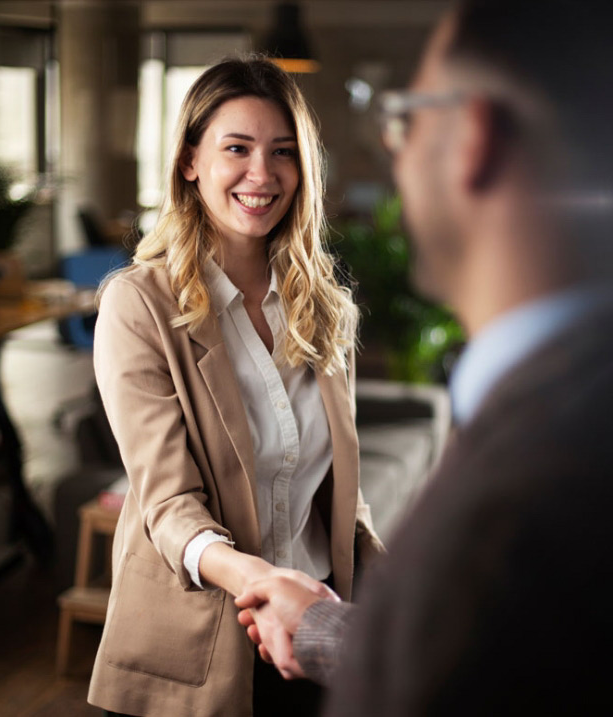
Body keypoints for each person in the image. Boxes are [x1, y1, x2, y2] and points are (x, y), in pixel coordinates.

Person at [235, 1, 613, 713]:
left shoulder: (515, 514)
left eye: (408, 120)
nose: (397, 152)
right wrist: (322, 625)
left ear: (472, 141)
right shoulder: (602, 402)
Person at [87, 56, 383, 717]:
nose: (262, 174)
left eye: (282, 152)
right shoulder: (138, 306)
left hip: (312, 637)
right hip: (196, 647)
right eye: (237, 148)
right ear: (190, 161)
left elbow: (341, 495)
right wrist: (265, 580)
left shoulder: (326, 310)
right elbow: (169, 505)